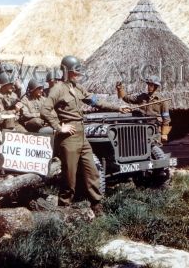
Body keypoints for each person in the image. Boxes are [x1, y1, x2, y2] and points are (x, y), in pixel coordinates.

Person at [40, 55, 130, 216]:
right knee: (70, 177)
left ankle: (96, 204)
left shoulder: (78, 88)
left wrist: (117, 108)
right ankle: (63, 208)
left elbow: (95, 101)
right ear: (66, 71)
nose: (78, 74)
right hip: (69, 138)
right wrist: (59, 127)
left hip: (82, 137)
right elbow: (45, 109)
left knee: (92, 171)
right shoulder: (58, 89)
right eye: (75, 72)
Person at [116, 75, 171, 142]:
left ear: (156, 86)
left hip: (154, 130)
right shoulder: (142, 97)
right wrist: (120, 89)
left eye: (151, 85)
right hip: (141, 129)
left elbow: (166, 119)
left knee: (154, 149)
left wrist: (164, 134)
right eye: (148, 84)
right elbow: (127, 99)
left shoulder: (162, 101)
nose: (149, 87)